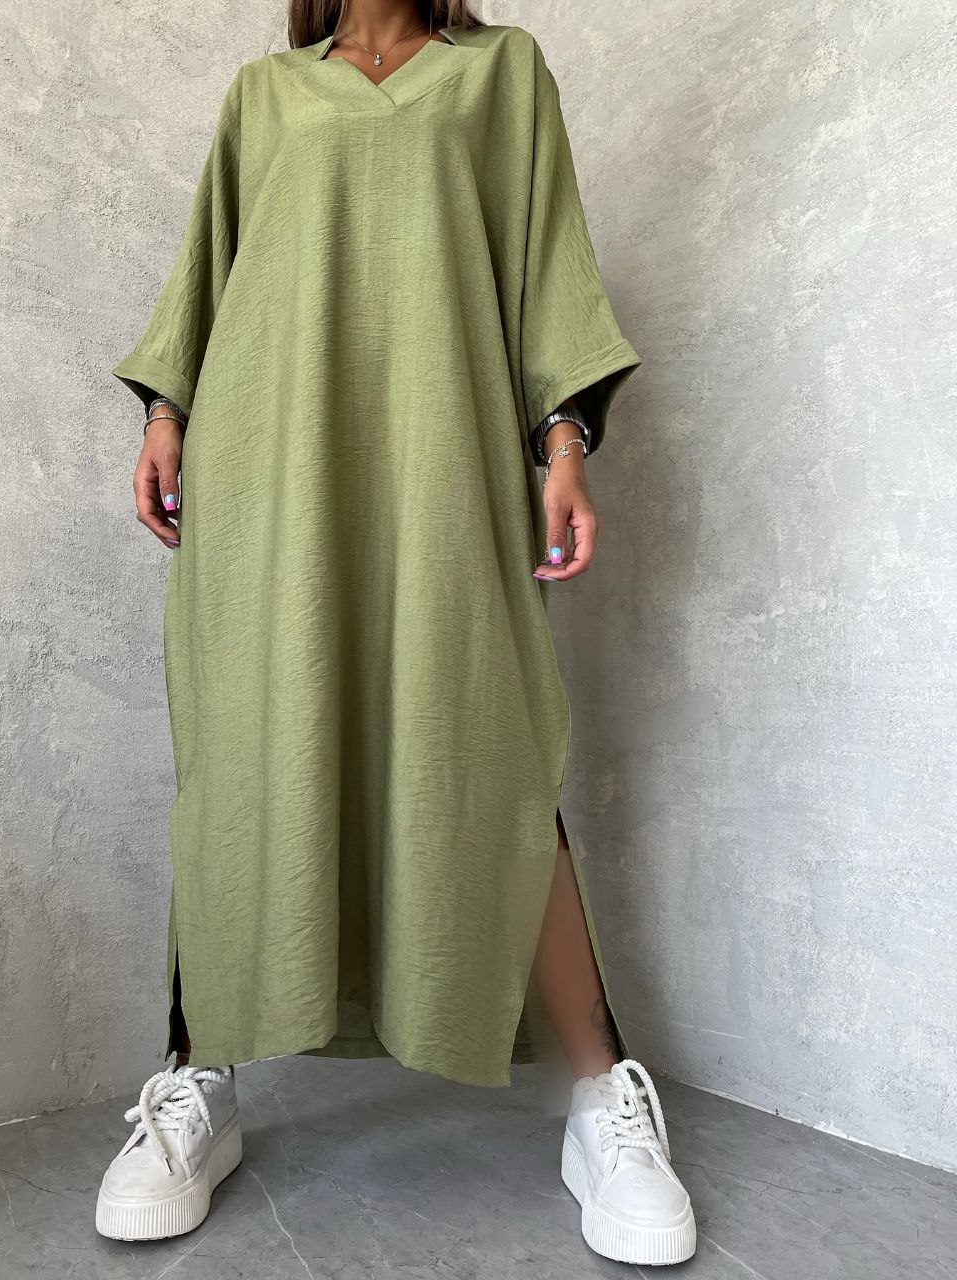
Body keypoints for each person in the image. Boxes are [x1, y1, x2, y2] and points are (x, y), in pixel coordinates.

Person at [98, 0, 696, 1266]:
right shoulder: (265, 94)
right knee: (246, 755)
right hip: (269, 471)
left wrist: (565, 445)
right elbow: (207, 275)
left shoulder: (501, 73)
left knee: (489, 744)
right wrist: (164, 414)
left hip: (443, 462)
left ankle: (599, 1093)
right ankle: (197, 1077)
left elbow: (547, 269)